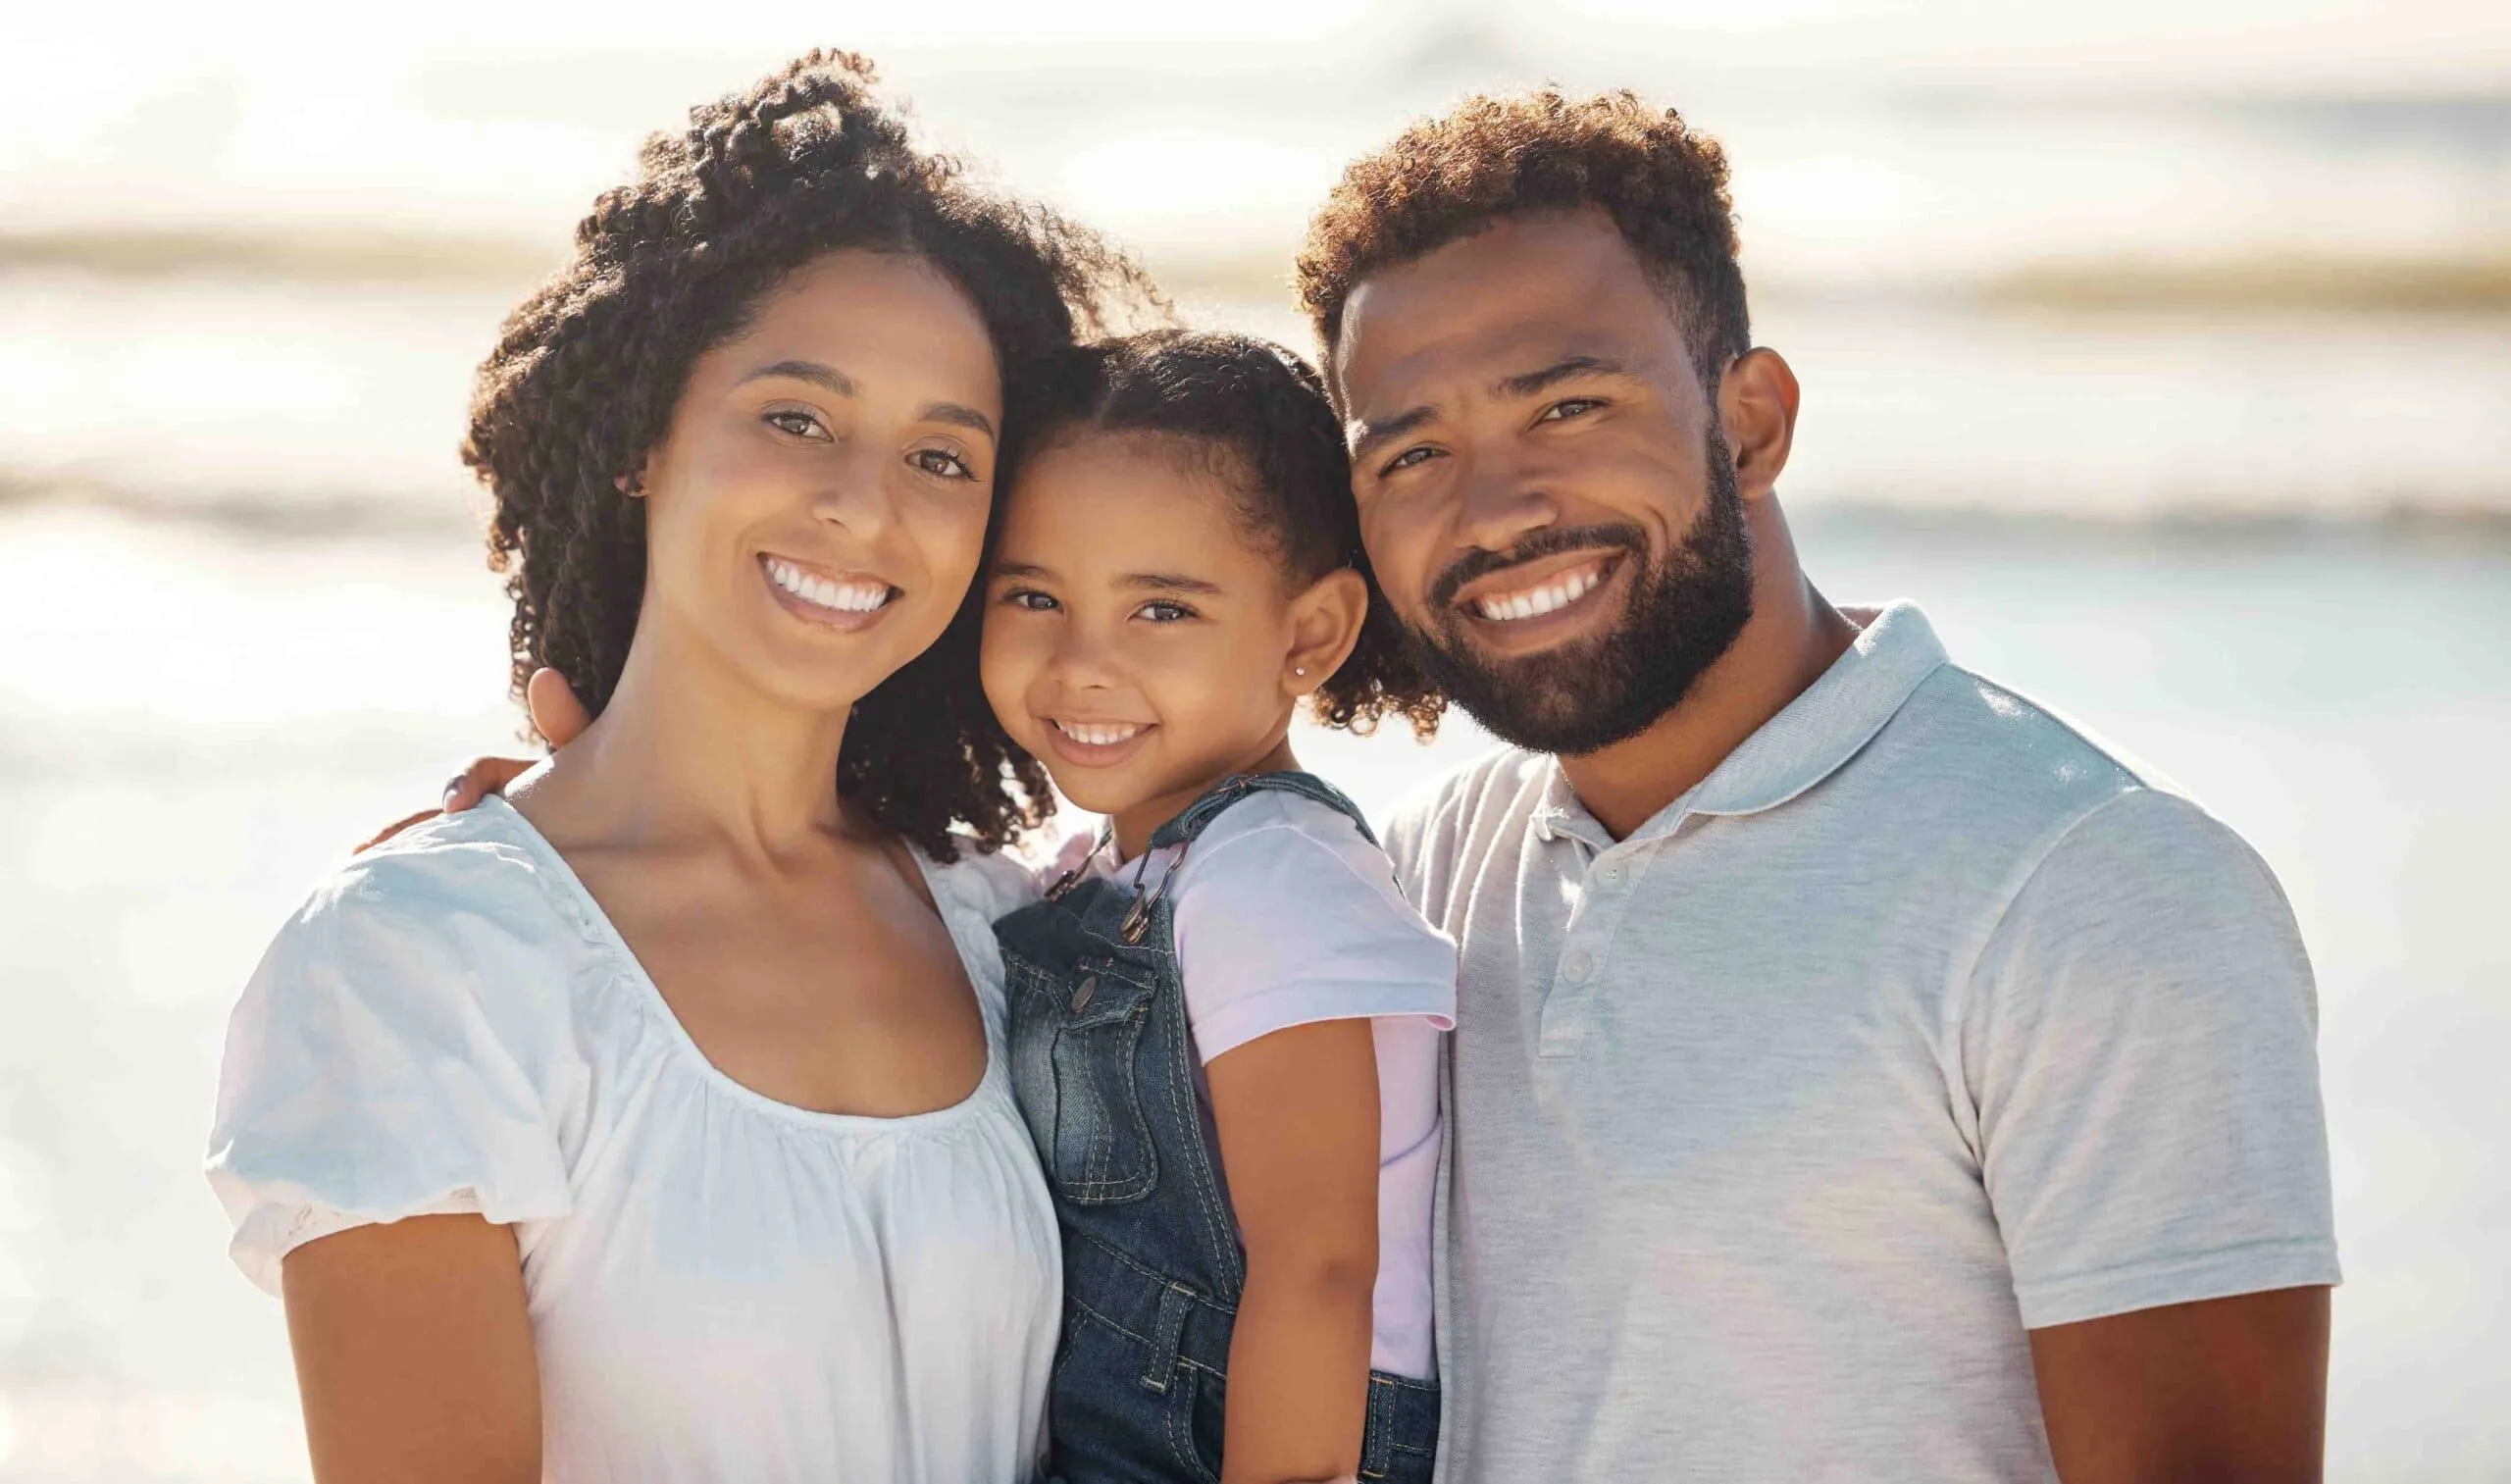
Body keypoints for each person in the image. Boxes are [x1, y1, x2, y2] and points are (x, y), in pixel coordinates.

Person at [1294, 90, 2340, 1481]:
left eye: (1568, 404)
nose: (1494, 508)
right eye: (1413, 452)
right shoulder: (1411, 887)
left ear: (1753, 424)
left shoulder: (2095, 890)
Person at [205, 51, 1149, 1482]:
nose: (861, 507)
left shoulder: (1019, 935)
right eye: (795, 419)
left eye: (943, 458)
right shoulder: (424, 963)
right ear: (647, 438)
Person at [982, 332, 1452, 1483]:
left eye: (1162, 611)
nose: (1082, 661)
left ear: (1308, 634)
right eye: (1034, 594)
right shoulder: (1104, 863)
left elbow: (1317, 1267)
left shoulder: (1271, 874)